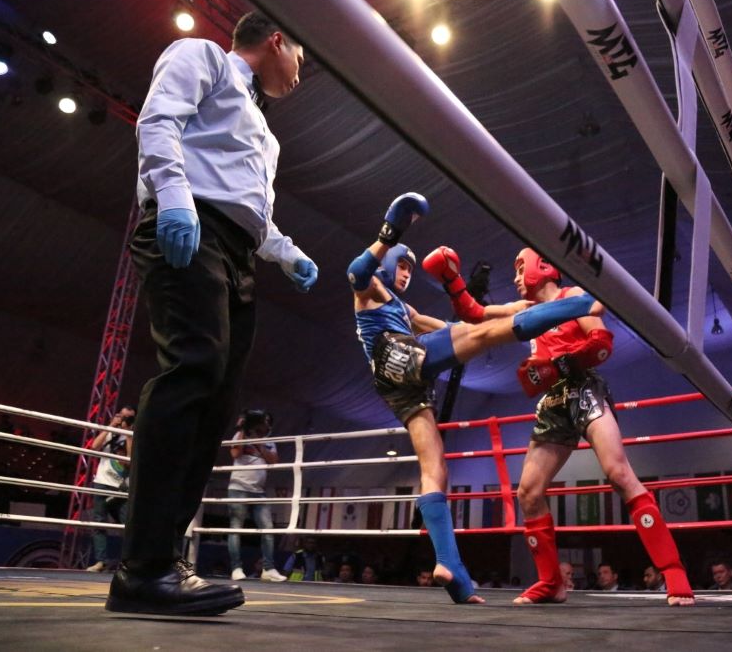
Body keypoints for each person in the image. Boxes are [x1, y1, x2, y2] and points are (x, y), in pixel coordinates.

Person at [107, 11, 317, 616]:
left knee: (217, 401)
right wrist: (173, 197)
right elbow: (159, 120)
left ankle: (164, 561)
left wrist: (286, 253)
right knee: (192, 370)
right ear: (277, 39)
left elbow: (251, 207)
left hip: (236, 250)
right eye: (300, 57)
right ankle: (142, 567)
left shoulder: (266, 133)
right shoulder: (202, 57)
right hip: (188, 226)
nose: (300, 72)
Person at [348, 195, 603, 604]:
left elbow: (442, 325)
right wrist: (389, 232)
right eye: (402, 265)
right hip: (396, 356)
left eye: (410, 268)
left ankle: (453, 570)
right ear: (388, 262)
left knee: (435, 469)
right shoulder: (372, 287)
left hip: (399, 386)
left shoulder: (401, 307)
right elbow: (355, 271)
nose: (406, 273)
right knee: (483, 335)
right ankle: (585, 303)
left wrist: (483, 328)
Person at [498, 249, 693, 607]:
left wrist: (558, 366)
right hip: (554, 401)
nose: (515, 278)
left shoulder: (572, 296)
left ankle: (673, 571)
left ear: (543, 266)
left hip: (584, 387)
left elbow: (601, 343)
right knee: (527, 492)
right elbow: (480, 320)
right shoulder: (526, 312)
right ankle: (551, 583)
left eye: (520, 268)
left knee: (619, 473)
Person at [227, 409, 286, 583]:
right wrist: (243, 430)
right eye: (262, 420)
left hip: (259, 490)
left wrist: (258, 442)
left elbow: (274, 461)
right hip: (238, 487)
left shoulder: (269, 441)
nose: (265, 424)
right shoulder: (240, 435)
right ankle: (236, 568)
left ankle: (268, 569)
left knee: (267, 529)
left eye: (267, 421)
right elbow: (235, 453)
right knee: (236, 528)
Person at [86, 407, 136, 572]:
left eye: (128, 418)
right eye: (121, 416)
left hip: (121, 487)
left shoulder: (135, 436)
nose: (124, 420)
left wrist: (128, 434)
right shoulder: (110, 433)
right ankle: (101, 561)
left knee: (127, 524)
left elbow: (131, 460)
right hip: (102, 481)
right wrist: (110, 426)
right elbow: (94, 446)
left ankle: (131, 562)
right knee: (99, 521)